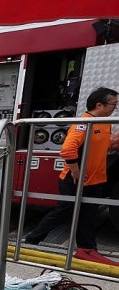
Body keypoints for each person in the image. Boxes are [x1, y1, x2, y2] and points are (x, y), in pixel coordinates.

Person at [23, 87, 119, 266]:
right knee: (64, 210)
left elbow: (103, 146)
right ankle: (32, 239)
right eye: (113, 104)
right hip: (74, 179)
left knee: (88, 215)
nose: (115, 108)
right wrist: (75, 170)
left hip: (95, 180)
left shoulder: (105, 123)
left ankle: (87, 248)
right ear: (99, 105)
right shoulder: (83, 123)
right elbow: (67, 149)